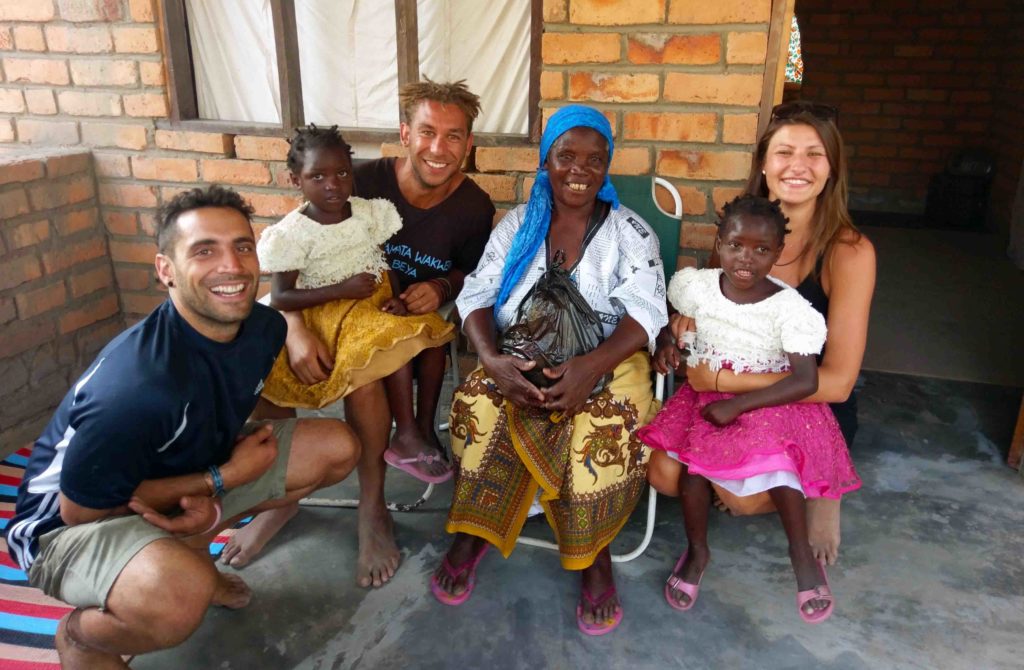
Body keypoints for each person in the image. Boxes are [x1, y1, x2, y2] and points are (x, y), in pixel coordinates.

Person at [4, 186, 360, 669]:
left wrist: (209, 504)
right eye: (204, 250)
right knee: (174, 600)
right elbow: (81, 513)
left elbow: (223, 417)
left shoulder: (263, 330)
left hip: (164, 480)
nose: (232, 266)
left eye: (242, 246)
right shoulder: (135, 388)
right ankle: (83, 636)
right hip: (62, 529)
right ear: (165, 271)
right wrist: (221, 481)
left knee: (336, 446)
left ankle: (185, 549)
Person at [431, 105, 668, 636]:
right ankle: (475, 527)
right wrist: (492, 361)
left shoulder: (631, 232)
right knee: (478, 408)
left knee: (596, 429)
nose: (579, 170)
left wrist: (589, 367)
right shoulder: (518, 225)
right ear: (547, 160)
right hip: (516, 352)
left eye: (594, 159)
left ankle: (593, 551)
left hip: (609, 358)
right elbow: (476, 295)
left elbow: (647, 312)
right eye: (566, 156)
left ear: (608, 166)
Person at [254, 80, 494, 588]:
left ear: (468, 145)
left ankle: (372, 507)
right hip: (317, 304)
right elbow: (294, 248)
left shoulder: (475, 206)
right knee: (255, 350)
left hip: (389, 315)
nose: (438, 148)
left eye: (453, 137)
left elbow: (474, 273)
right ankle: (278, 497)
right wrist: (293, 326)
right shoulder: (359, 180)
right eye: (427, 132)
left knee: (368, 367)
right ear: (405, 134)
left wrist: (440, 283)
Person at [648, 100, 876, 566]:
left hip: (806, 401)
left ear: (832, 168)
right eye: (784, 152)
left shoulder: (848, 252)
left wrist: (726, 384)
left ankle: (821, 486)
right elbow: (712, 311)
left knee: (742, 500)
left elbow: (837, 382)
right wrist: (686, 325)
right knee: (666, 476)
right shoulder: (744, 231)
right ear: (764, 164)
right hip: (723, 396)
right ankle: (754, 475)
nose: (798, 166)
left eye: (814, 154)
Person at [638, 195, 861, 623]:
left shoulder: (790, 309)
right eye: (737, 245)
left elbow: (805, 380)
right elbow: (671, 320)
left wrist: (738, 403)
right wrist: (668, 338)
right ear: (719, 242)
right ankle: (697, 551)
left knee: (778, 464)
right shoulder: (696, 286)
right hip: (707, 397)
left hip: (770, 401)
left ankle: (801, 558)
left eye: (762, 250)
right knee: (691, 463)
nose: (747, 259)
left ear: (778, 254)